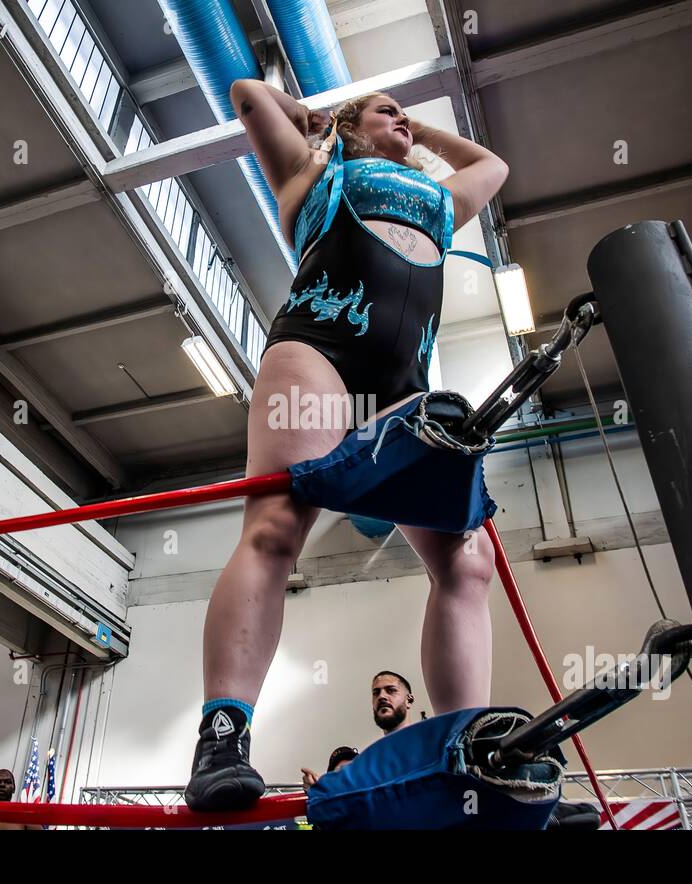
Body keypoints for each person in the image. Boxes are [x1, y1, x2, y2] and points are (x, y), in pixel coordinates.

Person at [185, 80, 508, 811]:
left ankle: (465, 757)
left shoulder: (438, 201)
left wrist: (417, 131)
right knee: (274, 527)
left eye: (403, 109)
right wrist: (322, 124)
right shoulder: (314, 170)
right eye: (384, 108)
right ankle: (223, 734)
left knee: (468, 559)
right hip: (321, 347)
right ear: (347, 125)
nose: (399, 117)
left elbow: (492, 166)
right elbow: (245, 95)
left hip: (405, 383)